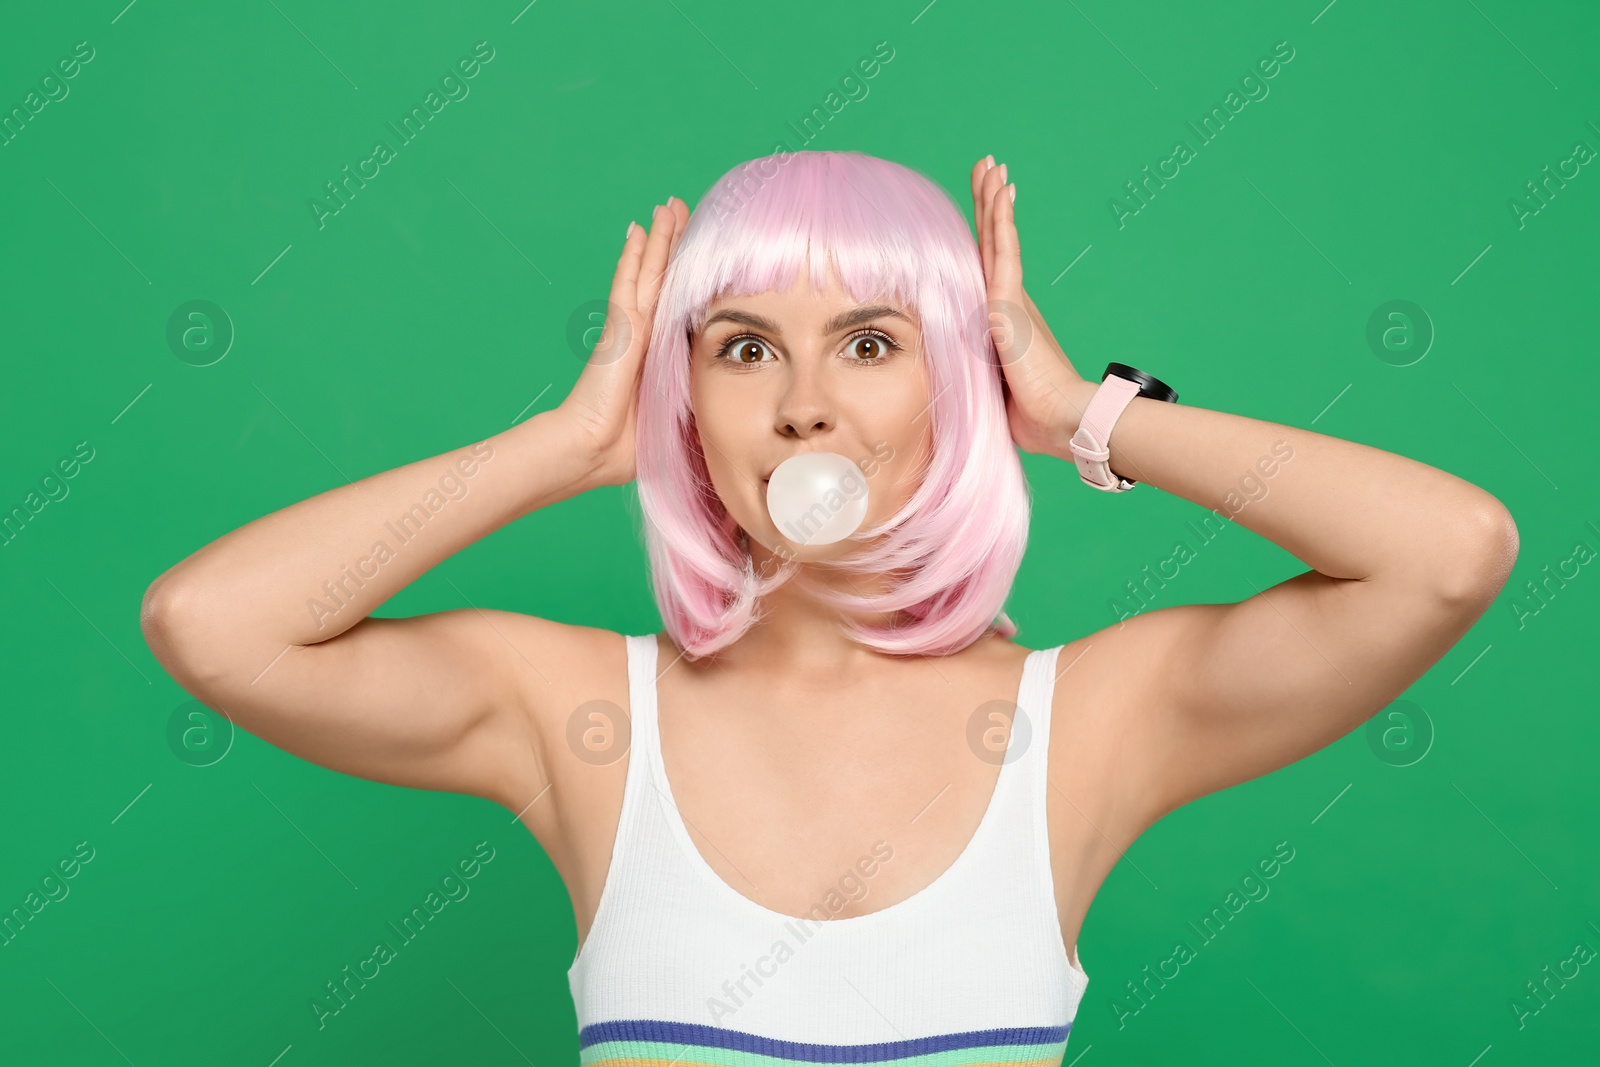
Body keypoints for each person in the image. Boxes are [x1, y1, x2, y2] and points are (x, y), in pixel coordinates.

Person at [139, 151, 1518, 1060]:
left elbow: (1450, 549)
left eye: (871, 343)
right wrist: (561, 447)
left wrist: (1075, 409)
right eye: (744, 349)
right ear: (689, 398)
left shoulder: (1088, 724)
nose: (805, 401)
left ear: (953, 385)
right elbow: (212, 622)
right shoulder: (573, 720)